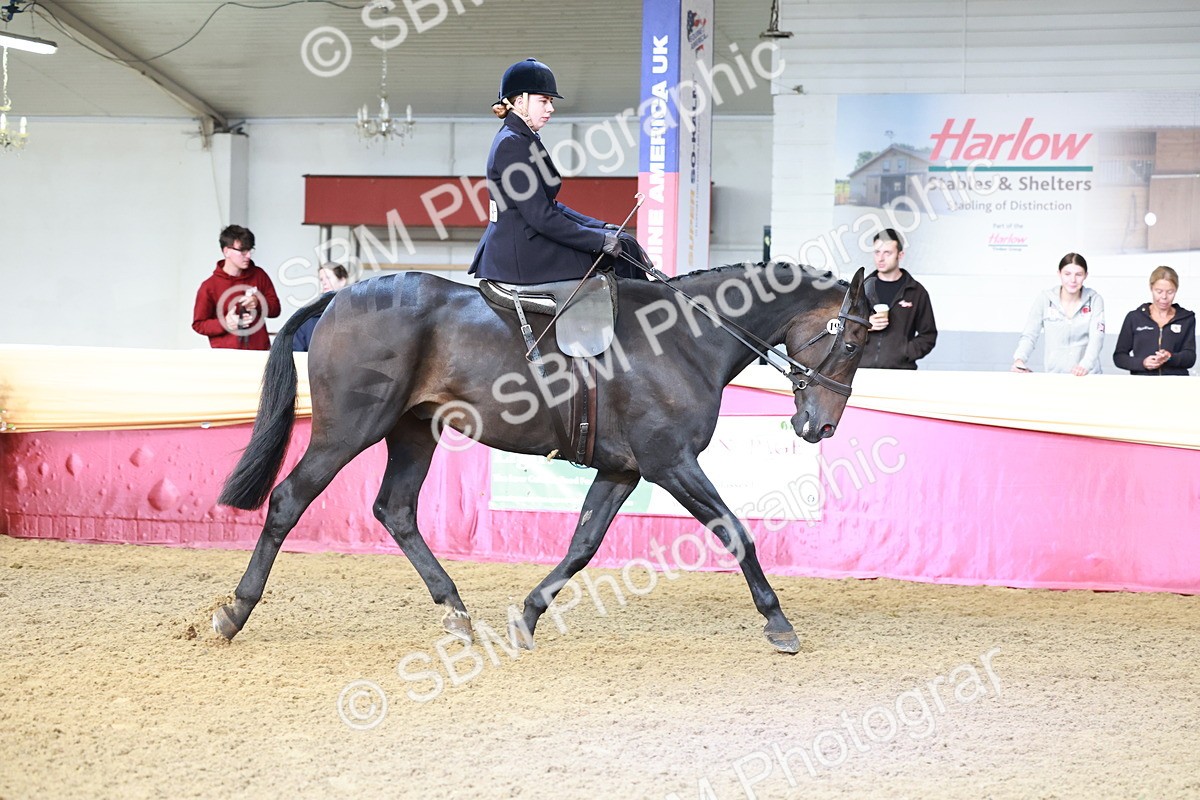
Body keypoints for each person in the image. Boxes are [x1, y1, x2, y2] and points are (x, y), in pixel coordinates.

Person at [468, 58, 649, 285]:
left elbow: (549, 205)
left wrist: (601, 227)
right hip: (522, 252)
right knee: (622, 253)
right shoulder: (512, 143)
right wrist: (598, 240)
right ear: (521, 101)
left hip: (529, 238)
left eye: (550, 101)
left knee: (625, 241)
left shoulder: (524, 138)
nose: (550, 108)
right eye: (543, 101)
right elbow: (541, 217)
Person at [1011, 253, 1105, 375]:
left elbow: (1097, 338)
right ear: (1059, 274)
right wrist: (1019, 359)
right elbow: (1030, 334)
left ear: (1086, 276)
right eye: (1067, 274)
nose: (1073, 280)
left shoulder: (1095, 300)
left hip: (1088, 375)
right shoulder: (1045, 299)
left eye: (1078, 274)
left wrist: (1085, 365)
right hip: (1055, 375)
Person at [192, 224, 281, 350]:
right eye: (242, 250)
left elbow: (276, 310)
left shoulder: (259, 275)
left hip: (259, 353)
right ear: (226, 251)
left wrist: (258, 302)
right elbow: (199, 324)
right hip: (225, 357)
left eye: (250, 250)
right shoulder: (209, 286)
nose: (248, 255)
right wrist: (225, 323)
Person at [860, 229, 938, 369]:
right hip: (861, 369)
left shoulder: (916, 292)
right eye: (877, 252)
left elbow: (928, 335)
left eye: (887, 253)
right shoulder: (862, 289)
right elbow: (845, 327)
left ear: (900, 255)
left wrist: (904, 352)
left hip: (901, 372)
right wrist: (866, 324)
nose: (880, 258)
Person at [1113, 266, 1196, 375]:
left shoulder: (1186, 318)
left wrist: (1170, 357)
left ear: (1176, 290)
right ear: (1151, 288)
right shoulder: (1134, 317)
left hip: (1175, 385)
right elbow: (1119, 357)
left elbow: (1190, 358)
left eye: (1170, 292)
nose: (1164, 297)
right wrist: (1142, 363)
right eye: (1159, 291)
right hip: (1143, 384)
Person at [293, 263, 351, 352]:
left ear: (342, 281)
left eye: (328, 278)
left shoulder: (357, 314)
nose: (324, 282)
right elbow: (297, 351)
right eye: (321, 279)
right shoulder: (309, 317)